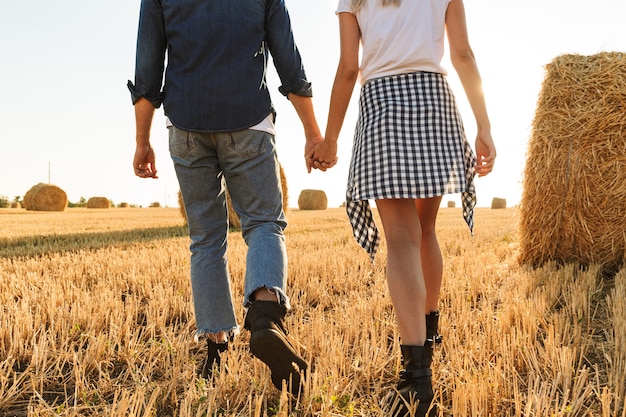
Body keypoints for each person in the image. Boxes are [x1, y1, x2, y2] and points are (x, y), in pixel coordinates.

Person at [128, 0, 335, 396]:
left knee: (206, 238)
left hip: (186, 125)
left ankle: (215, 347)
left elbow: (147, 69)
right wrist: (313, 133)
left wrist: (142, 141)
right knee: (262, 224)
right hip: (249, 122)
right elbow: (289, 61)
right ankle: (266, 315)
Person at [308, 0, 496, 414]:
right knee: (426, 231)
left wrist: (331, 140)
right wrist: (483, 126)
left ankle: (416, 378)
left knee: (401, 239)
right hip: (435, 102)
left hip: (382, 104)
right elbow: (462, 53)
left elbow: (347, 69)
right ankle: (429, 339)